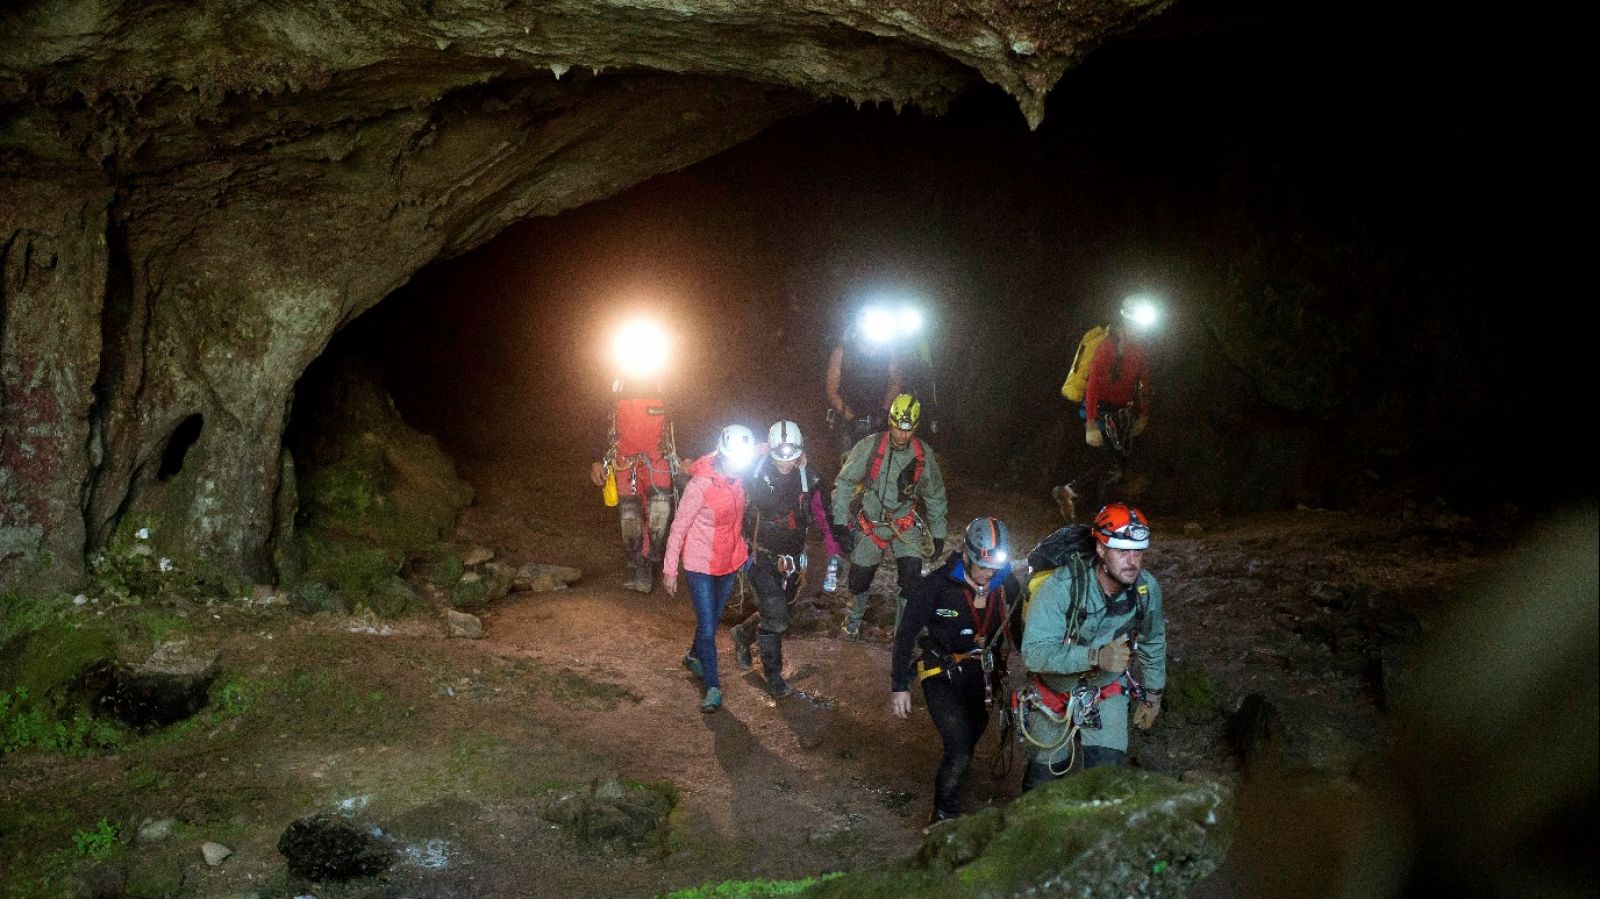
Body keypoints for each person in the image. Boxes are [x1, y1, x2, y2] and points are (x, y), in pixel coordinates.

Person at [1019, 502, 1166, 788]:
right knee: (1042, 786)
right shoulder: (1062, 587)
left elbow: (1153, 639)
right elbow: (1034, 653)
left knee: (1107, 783)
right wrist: (1095, 656)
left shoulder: (1146, 591)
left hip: (1105, 692)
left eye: (1138, 552)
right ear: (1101, 550)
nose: (1132, 561)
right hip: (1054, 693)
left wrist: (1153, 693)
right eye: (1122, 551)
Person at [890, 517, 1021, 824]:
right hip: (942, 672)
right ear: (966, 555)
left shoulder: (1006, 585)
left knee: (968, 741)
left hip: (985, 678)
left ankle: (953, 782)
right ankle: (943, 817)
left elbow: (1020, 631)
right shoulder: (936, 585)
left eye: (993, 569)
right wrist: (899, 685)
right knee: (960, 747)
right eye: (981, 567)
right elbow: (906, 633)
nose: (987, 575)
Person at [729, 421, 842, 697]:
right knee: (777, 618)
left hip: (792, 559)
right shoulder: (754, 471)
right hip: (760, 556)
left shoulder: (809, 479)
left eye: (792, 454)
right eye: (780, 453)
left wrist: (834, 550)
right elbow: (723, 470)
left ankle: (742, 634)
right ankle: (773, 675)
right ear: (770, 449)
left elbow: (823, 517)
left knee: (782, 610)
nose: (785, 461)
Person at [832, 392, 948, 638]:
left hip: (904, 524)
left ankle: (903, 632)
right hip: (870, 524)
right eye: (897, 428)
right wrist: (840, 523)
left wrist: (938, 535)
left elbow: (935, 496)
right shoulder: (870, 447)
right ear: (890, 423)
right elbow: (844, 484)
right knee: (859, 578)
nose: (902, 435)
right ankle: (852, 621)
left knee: (912, 577)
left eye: (908, 430)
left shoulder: (922, 456)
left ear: (915, 428)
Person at [663, 425, 756, 713]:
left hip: (727, 562)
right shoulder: (699, 485)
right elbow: (679, 528)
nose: (737, 467)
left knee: (713, 620)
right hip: (701, 564)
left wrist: (794, 455)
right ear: (722, 454)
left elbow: (765, 450)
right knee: (707, 625)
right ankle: (713, 687)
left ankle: (693, 656)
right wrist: (670, 569)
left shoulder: (739, 478)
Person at [1052, 296, 1156, 520]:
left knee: (1116, 463)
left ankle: (1071, 494)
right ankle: (1101, 513)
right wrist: (1091, 423)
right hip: (1101, 408)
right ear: (1127, 321)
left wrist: (1143, 414)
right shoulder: (1108, 346)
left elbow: (1143, 382)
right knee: (1112, 464)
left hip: (1123, 410)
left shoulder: (1141, 349)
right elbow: (1093, 385)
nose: (1142, 329)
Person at [590, 375, 680, 593]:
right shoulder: (614, 385)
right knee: (630, 518)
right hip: (625, 462)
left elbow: (684, 420)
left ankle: (648, 563)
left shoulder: (666, 384)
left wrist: (686, 457)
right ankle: (636, 563)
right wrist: (595, 459)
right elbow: (595, 422)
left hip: (657, 459)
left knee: (659, 512)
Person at [825, 312, 903, 460]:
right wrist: (847, 414)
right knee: (848, 469)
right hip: (848, 417)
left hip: (879, 416)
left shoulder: (890, 351)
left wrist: (883, 411)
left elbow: (896, 382)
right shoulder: (841, 352)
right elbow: (831, 389)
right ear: (857, 326)